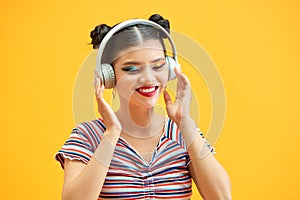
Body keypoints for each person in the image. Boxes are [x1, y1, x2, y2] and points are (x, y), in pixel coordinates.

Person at [55, 14, 231, 200]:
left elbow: (221, 197)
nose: (148, 78)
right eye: (131, 68)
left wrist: (185, 123)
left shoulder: (183, 134)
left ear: (171, 68)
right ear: (108, 76)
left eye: (158, 65)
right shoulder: (87, 136)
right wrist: (112, 133)